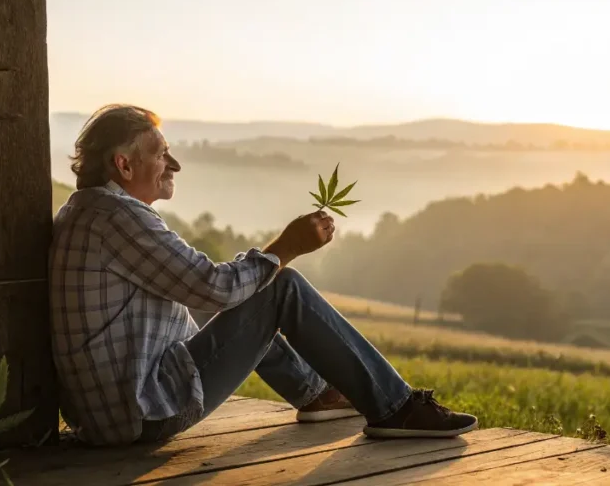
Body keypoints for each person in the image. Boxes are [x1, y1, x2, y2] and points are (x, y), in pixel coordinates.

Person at [49, 104, 478, 446]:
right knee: (281, 287)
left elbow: (204, 287)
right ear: (123, 165)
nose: (174, 164)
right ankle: (396, 408)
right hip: (144, 410)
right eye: (161, 154)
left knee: (254, 289)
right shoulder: (120, 218)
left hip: (109, 411)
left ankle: (315, 393)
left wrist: (257, 274)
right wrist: (287, 247)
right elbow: (215, 287)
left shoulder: (88, 210)